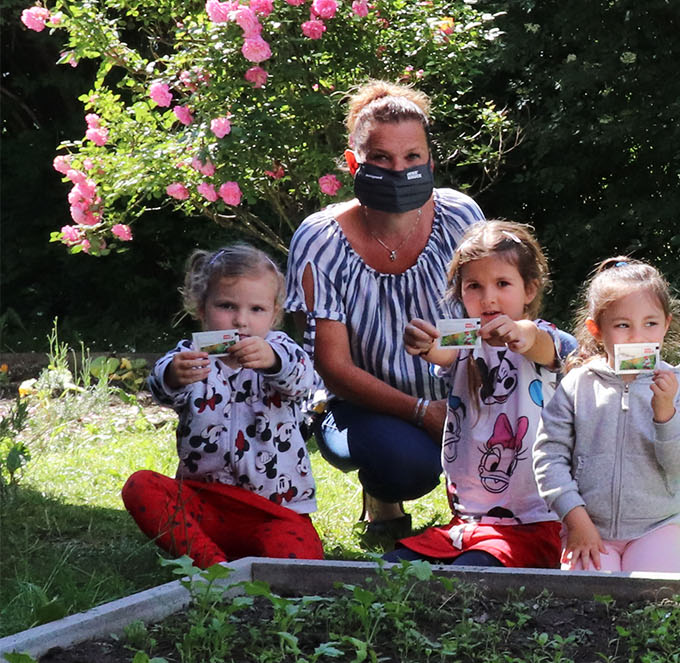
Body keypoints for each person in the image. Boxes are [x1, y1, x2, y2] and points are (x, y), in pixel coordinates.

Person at [287, 80, 485, 542]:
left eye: (413, 157)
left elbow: (484, 319)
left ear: (430, 162)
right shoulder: (319, 240)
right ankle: (382, 497)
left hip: (458, 386)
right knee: (404, 465)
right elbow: (332, 367)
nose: (400, 170)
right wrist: (423, 412)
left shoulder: (462, 217)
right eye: (381, 158)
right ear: (353, 162)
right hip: (357, 404)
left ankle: (479, 510)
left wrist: (457, 392)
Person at [121, 245, 326, 567]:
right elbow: (160, 389)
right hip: (205, 502)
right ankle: (214, 567)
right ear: (201, 308)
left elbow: (303, 381)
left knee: (299, 560)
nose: (241, 321)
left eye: (256, 309)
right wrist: (173, 375)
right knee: (140, 486)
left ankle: (257, 565)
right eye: (226, 306)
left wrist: (274, 361)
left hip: (274, 508)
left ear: (274, 314)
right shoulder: (191, 357)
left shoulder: (282, 352)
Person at [383, 222, 574, 568]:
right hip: (470, 520)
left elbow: (539, 343)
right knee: (391, 566)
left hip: (535, 520)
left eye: (503, 284)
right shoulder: (466, 339)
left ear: (529, 290)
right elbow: (440, 349)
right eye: (474, 286)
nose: (488, 298)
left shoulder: (541, 336)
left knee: (469, 574)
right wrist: (423, 342)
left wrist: (519, 332)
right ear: (460, 292)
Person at [536, 259, 680, 574]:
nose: (638, 337)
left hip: (656, 525)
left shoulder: (679, 386)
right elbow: (548, 458)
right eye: (623, 325)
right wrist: (575, 518)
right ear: (596, 330)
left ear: (666, 325)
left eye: (650, 324)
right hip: (589, 527)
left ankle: (673, 563)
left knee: (657, 594)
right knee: (592, 595)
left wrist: (666, 415)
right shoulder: (576, 385)